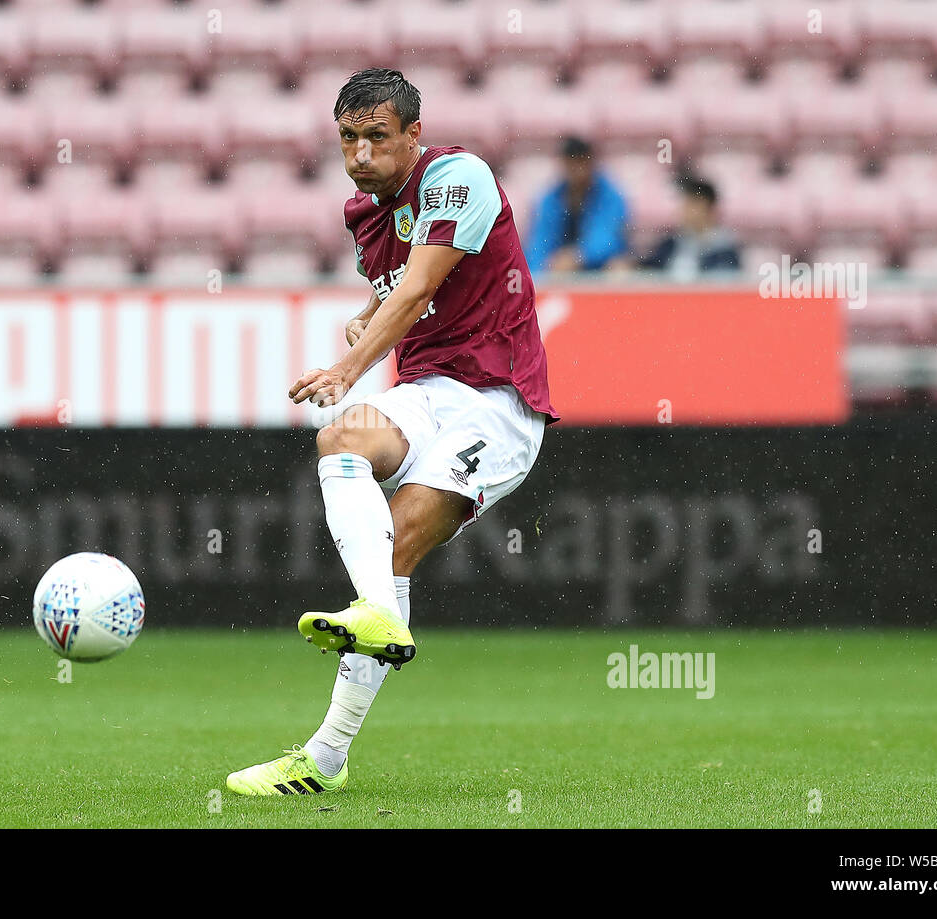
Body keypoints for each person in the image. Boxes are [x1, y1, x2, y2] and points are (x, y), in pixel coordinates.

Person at [226, 69, 558, 796]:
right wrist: (362, 322)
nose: (361, 152)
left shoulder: (458, 176)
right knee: (339, 443)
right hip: (428, 391)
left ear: (413, 133)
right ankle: (371, 634)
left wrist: (349, 362)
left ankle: (324, 756)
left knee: (399, 541)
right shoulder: (365, 215)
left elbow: (416, 291)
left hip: (499, 403)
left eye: (378, 136)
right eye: (348, 138)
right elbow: (394, 298)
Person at [524, 136, 628, 273]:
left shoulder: (610, 196)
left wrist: (578, 256)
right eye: (571, 164)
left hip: (599, 270)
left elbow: (608, 240)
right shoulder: (551, 199)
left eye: (580, 163)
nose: (576, 171)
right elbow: (539, 244)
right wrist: (541, 271)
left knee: (618, 268)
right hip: (558, 273)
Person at [639, 176, 741, 278]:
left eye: (691, 204)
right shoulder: (671, 243)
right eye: (684, 204)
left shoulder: (725, 249)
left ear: (708, 207)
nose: (683, 210)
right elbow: (649, 268)